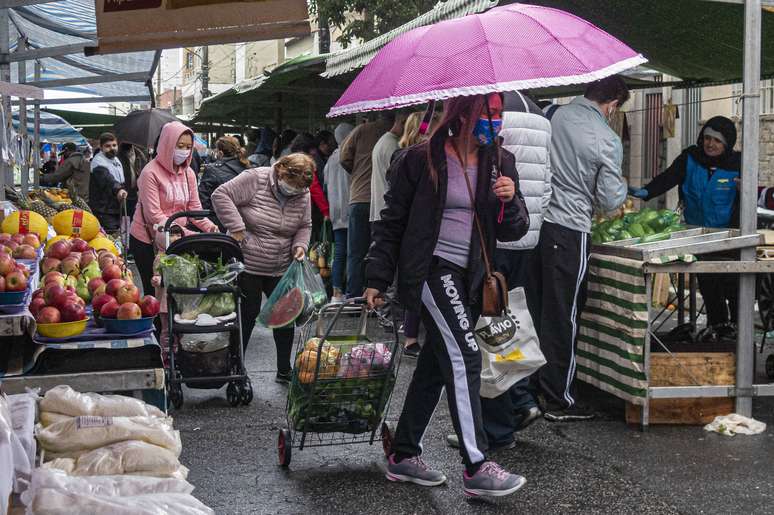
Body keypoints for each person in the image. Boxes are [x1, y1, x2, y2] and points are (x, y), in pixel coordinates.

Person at [365, 93, 530, 497]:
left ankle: (403, 454)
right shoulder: (419, 160)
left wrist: (511, 201)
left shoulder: (501, 162)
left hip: (472, 277)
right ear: (464, 113)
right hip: (430, 270)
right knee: (465, 354)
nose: (495, 121)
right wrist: (375, 276)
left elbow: (514, 231)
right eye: (487, 114)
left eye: (498, 114)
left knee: (435, 367)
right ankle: (477, 465)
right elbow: (391, 223)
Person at [452, 91, 552, 451]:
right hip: (525, 235)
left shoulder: (491, 135)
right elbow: (548, 182)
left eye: (495, 113)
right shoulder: (542, 118)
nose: (493, 118)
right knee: (508, 326)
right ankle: (515, 405)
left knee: (489, 332)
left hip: (492, 246)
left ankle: (497, 421)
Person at [534, 76, 629, 422]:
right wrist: (623, 188)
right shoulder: (606, 138)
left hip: (539, 226)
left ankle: (532, 390)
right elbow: (607, 200)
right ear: (613, 104)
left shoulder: (554, 115)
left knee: (540, 308)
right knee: (565, 314)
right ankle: (559, 397)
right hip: (572, 229)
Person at [629, 116, 741, 339]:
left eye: (717, 141)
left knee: (734, 287)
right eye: (707, 138)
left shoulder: (738, 164)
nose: (710, 144)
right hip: (699, 237)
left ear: (727, 143)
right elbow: (669, 178)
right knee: (709, 286)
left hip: (731, 238)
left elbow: (753, 196)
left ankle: (739, 332)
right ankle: (717, 331)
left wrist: (745, 189)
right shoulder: (690, 157)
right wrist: (646, 191)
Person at [211, 153, 313, 383]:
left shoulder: (302, 193)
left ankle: (284, 370)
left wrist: (300, 245)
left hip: (282, 265)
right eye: (293, 186)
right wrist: (237, 228)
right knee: (247, 315)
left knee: (285, 316)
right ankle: (237, 369)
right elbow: (221, 195)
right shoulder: (254, 179)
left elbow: (305, 225)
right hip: (249, 262)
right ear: (281, 172)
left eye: (300, 189)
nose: (296, 192)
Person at [130, 122, 218, 297]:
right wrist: (189, 235)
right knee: (155, 291)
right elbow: (154, 215)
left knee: (177, 289)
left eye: (188, 147)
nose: (184, 151)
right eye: (180, 146)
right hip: (148, 240)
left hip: (177, 239)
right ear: (167, 144)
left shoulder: (188, 173)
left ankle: (171, 324)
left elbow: (194, 209)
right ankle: (156, 324)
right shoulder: (150, 173)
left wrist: (211, 229)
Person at [340, 113, 393, 297]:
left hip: (358, 198)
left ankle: (354, 296)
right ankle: (374, 296)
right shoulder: (392, 136)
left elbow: (344, 157)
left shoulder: (361, 130)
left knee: (355, 252)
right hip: (381, 201)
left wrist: (357, 172)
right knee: (378, 251)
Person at [323, 123, 354, 303]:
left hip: (336, 212)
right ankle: (351, 291)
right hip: (352, 209)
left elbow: (326, 186)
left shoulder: (330, 161)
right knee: (354, 253)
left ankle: (336, 293)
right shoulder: (351, 156)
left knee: (340, 253)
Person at [198, 136, 249, 228]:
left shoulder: (212, 169)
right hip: (246, 221)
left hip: (221, 222)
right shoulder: (248, 167)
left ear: (220, 153)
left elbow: (203, 199)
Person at [151, 224, 183, 367]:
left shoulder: (183, 255)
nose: (176, 238)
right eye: (172, 235)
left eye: (178, 235)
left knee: (181, 328)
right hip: (165, 300)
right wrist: (157, 279)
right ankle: (166, 354)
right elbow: (157, 275)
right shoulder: (161, 257)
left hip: (181, 299)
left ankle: (180, 351)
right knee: (166, 329)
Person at [370, 111, 409, 223]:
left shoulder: (384, 141)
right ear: (403, 123)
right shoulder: (392, 145)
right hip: (387, 210)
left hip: (381, 208)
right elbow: (397, 178)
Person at [90, 133, 128, 233]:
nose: (112, 148)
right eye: (108, 146)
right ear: (101, 147)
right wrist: (119, 190)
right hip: (104, 210)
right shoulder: (98, 162)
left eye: (114, 145)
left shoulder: (116, 159)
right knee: (109, 237)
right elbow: (107, 179)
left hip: (115, 207)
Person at [117, 142, 147, 218]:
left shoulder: (139, 155)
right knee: (123, 219)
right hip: (121, 193)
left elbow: (143, 171)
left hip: (135, 193)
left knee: (133, 218)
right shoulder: (117, 156)